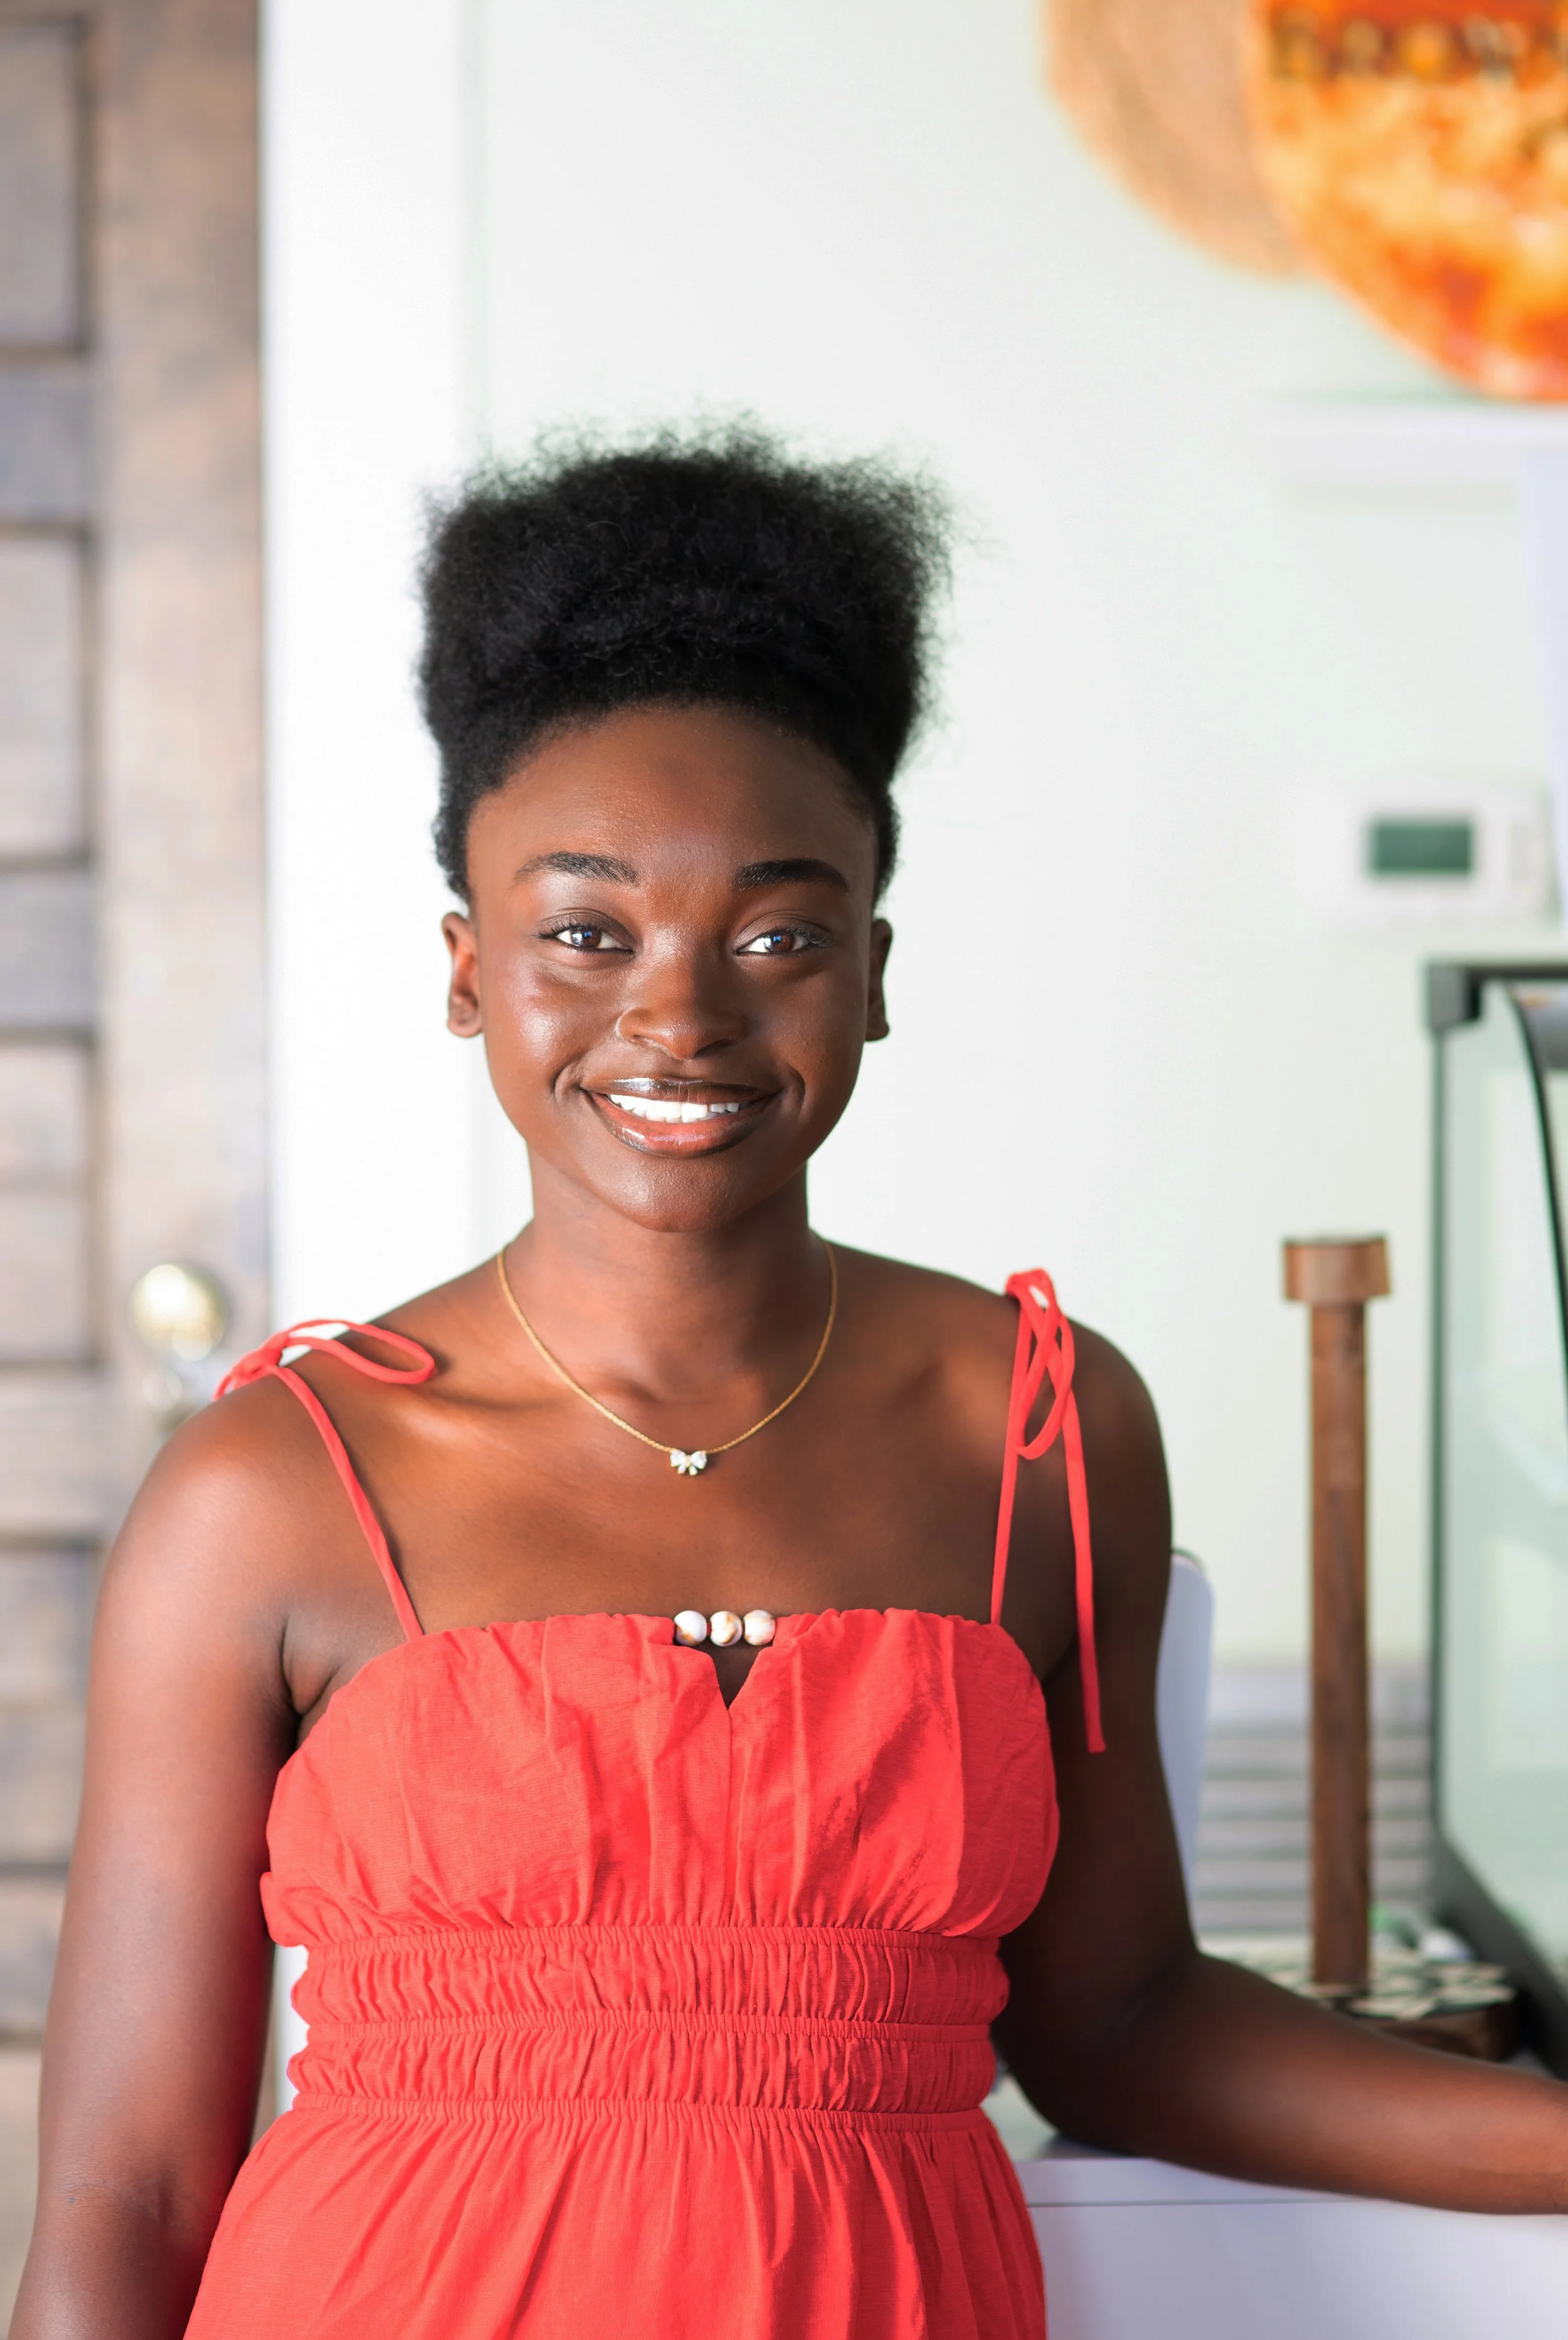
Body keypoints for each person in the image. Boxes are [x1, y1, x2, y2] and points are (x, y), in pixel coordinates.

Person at [15, 430, 1568, 2340]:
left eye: (778, 931)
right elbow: (129, 2184)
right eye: (584, 930)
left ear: (875, 968)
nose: (679, 1012)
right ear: (464, 969)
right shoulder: (270, 1484)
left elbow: (1125, 2021)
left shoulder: (1041, 1424)